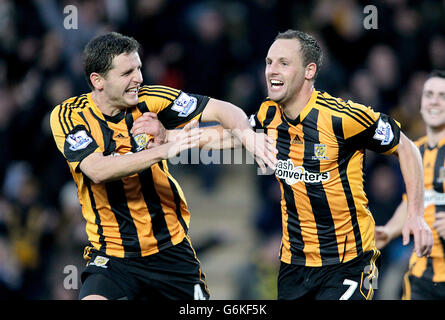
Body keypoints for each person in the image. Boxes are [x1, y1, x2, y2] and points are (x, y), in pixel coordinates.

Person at [131, 29, 433, 300]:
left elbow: (407, 148)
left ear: (309, 71)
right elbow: (227, 136)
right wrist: (169, 134)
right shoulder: (268, 114)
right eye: (268, 62)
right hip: (294, 264)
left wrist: (416, 215)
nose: (271, 70)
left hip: (348, 262)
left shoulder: (343, 118)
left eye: (283, 63)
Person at [49, 32, 277, 300]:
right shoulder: (68, 115)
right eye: (127, 73)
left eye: (138, 68)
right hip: (113, 254)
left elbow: (221, 109)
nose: (139, 79)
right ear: (97, 81)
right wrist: (167, 149)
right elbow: (97, 170)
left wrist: (246, 134)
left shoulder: (151, 99)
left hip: (170, 249)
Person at [375, 70, 445, 300]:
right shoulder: (416, 151)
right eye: (429, 95)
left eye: (442, 95)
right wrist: (389, 230)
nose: (434, 101)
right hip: (421, 276)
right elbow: (412, 202)